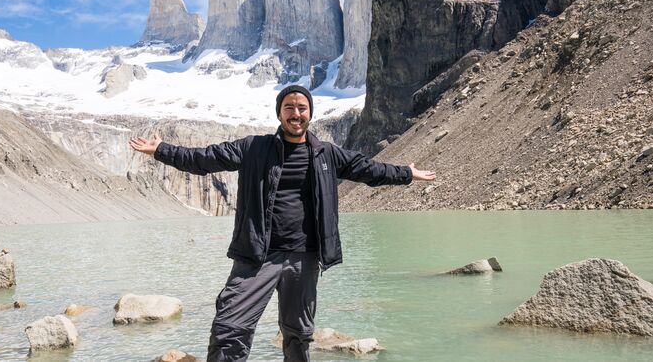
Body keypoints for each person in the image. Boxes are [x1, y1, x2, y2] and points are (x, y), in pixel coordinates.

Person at [130, 85, 436, 362]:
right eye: (289, 107)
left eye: (302, 107)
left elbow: (368, 169)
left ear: (310, 114)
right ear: (279, 112)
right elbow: (206, 159)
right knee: (229, 327)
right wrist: (161, 150)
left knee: (298, 335)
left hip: (304, 258)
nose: (296, 113)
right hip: (257, 256)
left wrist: (406, 174)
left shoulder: (325, 153)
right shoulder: (254, 147)